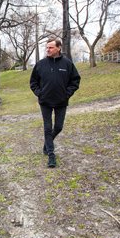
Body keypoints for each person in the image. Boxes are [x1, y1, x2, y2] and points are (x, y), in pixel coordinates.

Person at [30, 38, 81, 168]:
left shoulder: (67, 64)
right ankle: (51, 155)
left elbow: (75, 81)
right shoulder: (40, 64)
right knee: (47, 128)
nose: (48, 50)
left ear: (58, 48)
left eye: (51, 47)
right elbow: (33, 82)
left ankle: (47, 144)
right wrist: (39, 93)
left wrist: (67, 93)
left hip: (61, 101)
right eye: (47, 47)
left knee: (58, 127)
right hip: (45, 102)